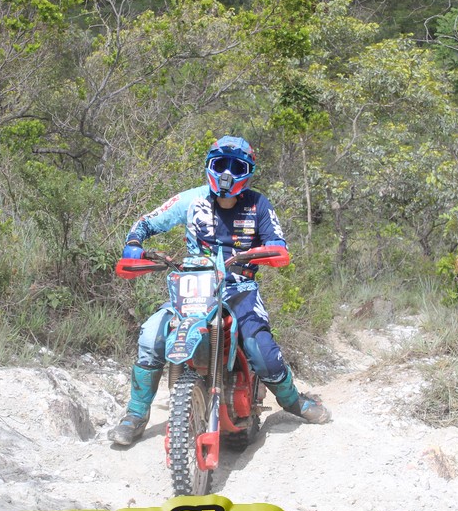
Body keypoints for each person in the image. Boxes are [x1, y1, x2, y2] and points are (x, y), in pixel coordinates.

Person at [108, 135, 330, 446]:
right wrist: (134, 245)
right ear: (209, 166)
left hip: (240, 287)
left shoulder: (259, 204)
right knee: (151, 335)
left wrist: (272, 250)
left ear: (248, 172)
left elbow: (277, 242)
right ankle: (135, 415)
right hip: (193, 288)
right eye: (220, 164)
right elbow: (146, 222)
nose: (226, 173)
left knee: (261, 349)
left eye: (236, 167)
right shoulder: (191, 200)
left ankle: (293, 401)